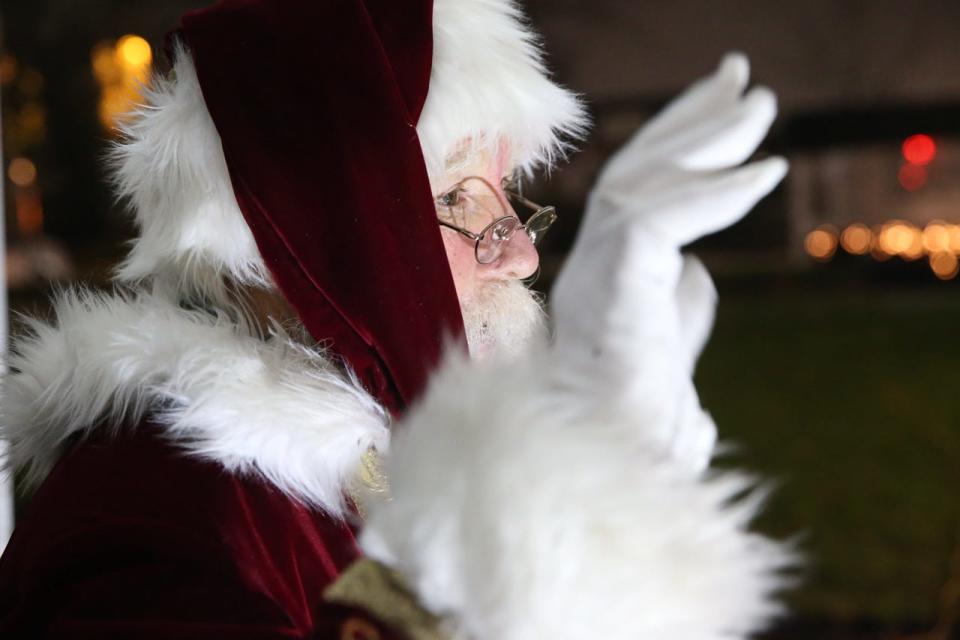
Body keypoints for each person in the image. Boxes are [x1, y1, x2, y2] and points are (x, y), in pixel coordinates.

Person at [0, 0, 793, 638]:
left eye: (510, 195)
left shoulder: (380, 462)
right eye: (455, 198)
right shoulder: (153, 513)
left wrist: (611, 493)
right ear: (300, 236)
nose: (518, 252)